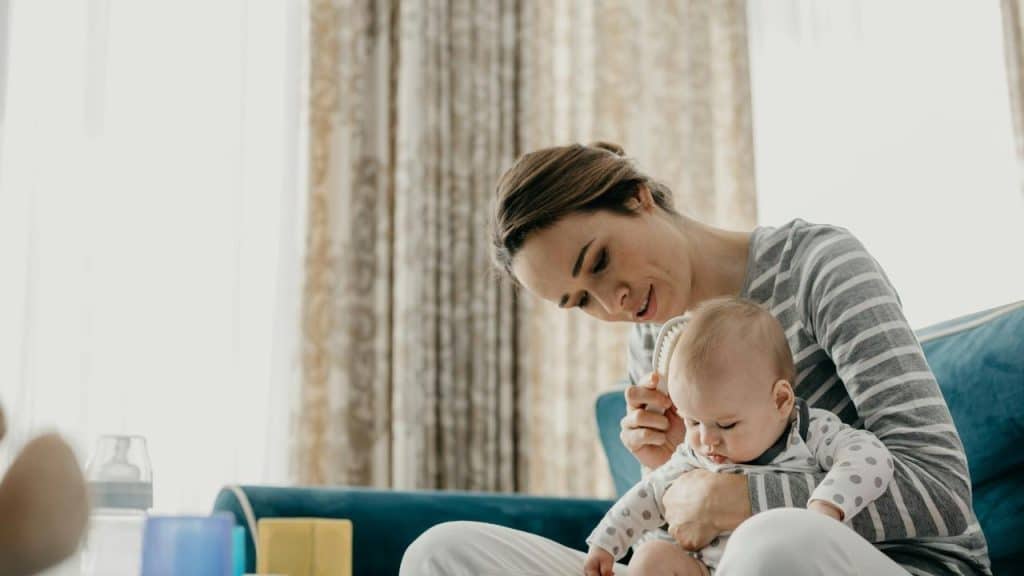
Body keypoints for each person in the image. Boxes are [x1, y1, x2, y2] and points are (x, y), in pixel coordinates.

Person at [400, 142, 991, 575]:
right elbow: (683, 540)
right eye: (581, 300)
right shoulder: (651, 343)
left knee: (773, 544)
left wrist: (741, 500)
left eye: (600, 261)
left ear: (638, 197)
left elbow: (941, 489)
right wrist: (664, 470)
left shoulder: (818, 266)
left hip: (881, 564)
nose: (615, 303)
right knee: (443, 554)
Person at [584, 297, 894, 576]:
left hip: (776, 564)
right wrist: (605, 543)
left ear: (781, 401)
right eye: (692, 421)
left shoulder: (810, 432)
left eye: (727, 425)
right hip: (704, 569)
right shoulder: (694, 455)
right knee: (652, 558)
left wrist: (827, 505)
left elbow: (871, 457)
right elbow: (648, 495)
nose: (707, 439)